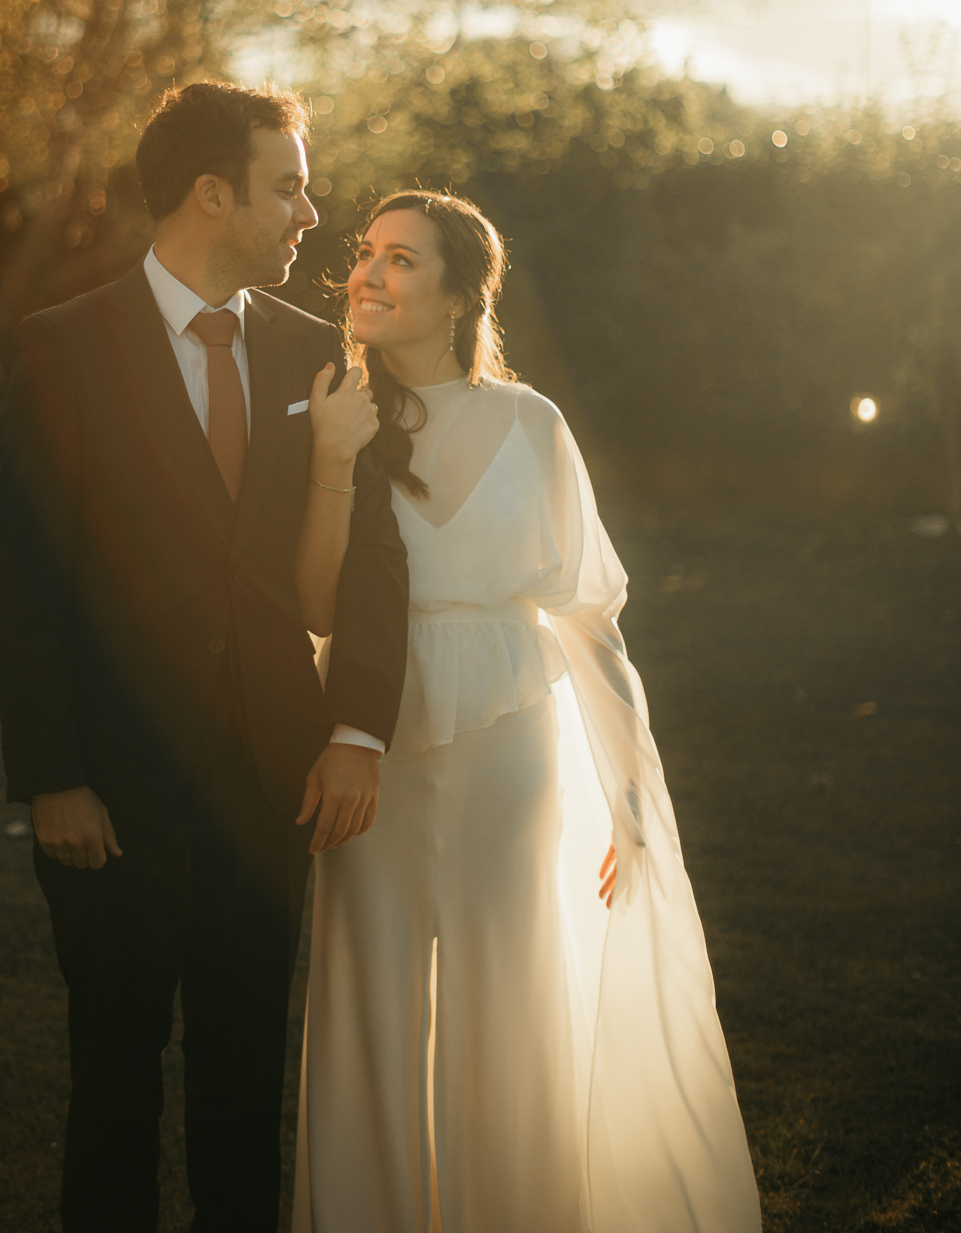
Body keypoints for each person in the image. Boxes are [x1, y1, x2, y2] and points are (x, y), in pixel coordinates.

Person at [293, 189, 762, 1233]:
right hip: (371, 737)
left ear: (462, 293)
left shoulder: (531, 424)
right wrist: (328, 458)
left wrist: (631, 796)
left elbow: (591, 625)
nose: (367, 274)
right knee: (370, 998)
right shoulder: (337, 410)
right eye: (365, 255)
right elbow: (315, 603)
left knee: (508, 997)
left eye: (402, 260)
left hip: (511, 741)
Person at [0, 82, 409, 1233]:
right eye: (290, 187)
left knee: (243, 1086)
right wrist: (53, 775)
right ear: (212, 195)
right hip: (109, 792)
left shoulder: (319, 353)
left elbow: (372, 563)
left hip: (266, 783)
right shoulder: (64, 350)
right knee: (112, 1081)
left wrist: (356, 729)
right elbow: (25, 580)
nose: (311, 214)